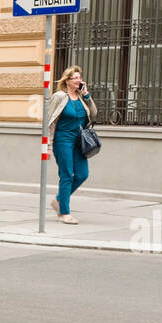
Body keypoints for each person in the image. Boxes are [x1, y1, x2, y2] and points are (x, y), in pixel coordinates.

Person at [47, 65, 95, 225]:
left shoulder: (81, 97)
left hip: (79, 141)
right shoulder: (59, 97)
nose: (79, 80)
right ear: (67, 81)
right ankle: (64, 212)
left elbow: (94, 114)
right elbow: (50, 122)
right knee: (67, 175)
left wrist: (87, 96)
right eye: (75, 78)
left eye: (80, 77)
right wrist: (48, 145)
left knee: (82, 174)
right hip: (63, 140)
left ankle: (59, 201)